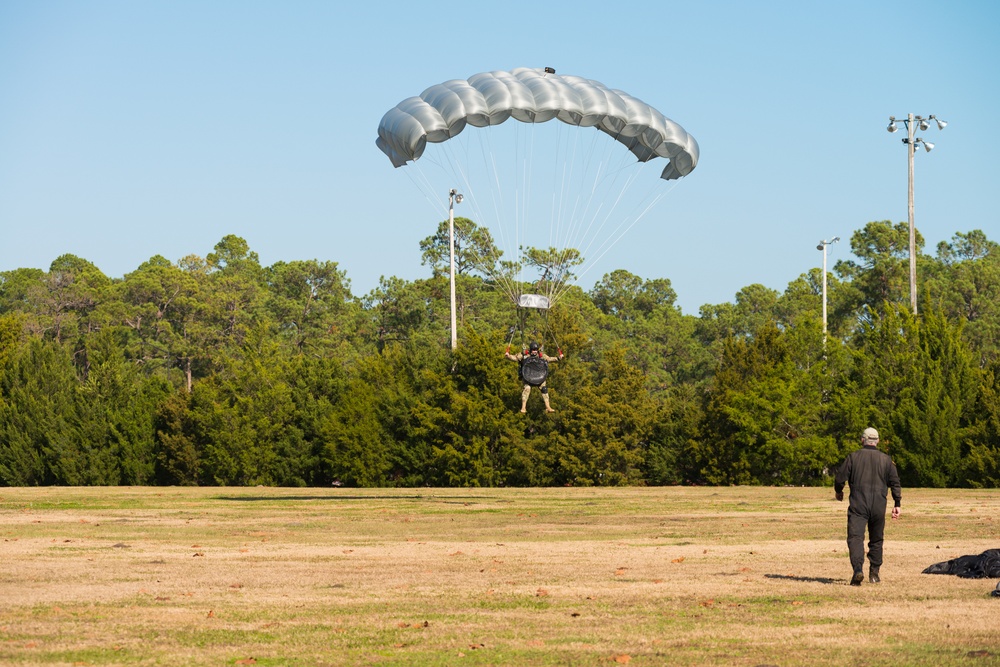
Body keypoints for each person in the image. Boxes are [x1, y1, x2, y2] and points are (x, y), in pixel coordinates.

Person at [834, 427, 902, 586]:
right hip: (879, 504)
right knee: (876, 539)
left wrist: (839, 492)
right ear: (877, 441)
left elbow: (839, 479)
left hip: (858, 504)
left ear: (862, 440)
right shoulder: (887, 460)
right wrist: (897, 503)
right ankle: (874, 573)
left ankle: (858, 569)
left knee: (856, 537)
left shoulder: (853, 457)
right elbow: (895, 483)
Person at [504, 341, 562, 413]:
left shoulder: (541, 355)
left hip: (539, 376)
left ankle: (548, 407)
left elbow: (549, 359)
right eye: (533, 350)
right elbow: (515, 358)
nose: (534, 352)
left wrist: (558, 358)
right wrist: (508, 356)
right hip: (527, 377)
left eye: (535, 350)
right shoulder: (524, 355)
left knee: (544, 388)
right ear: (530, 350)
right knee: (527, 388)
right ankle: (523, 407)